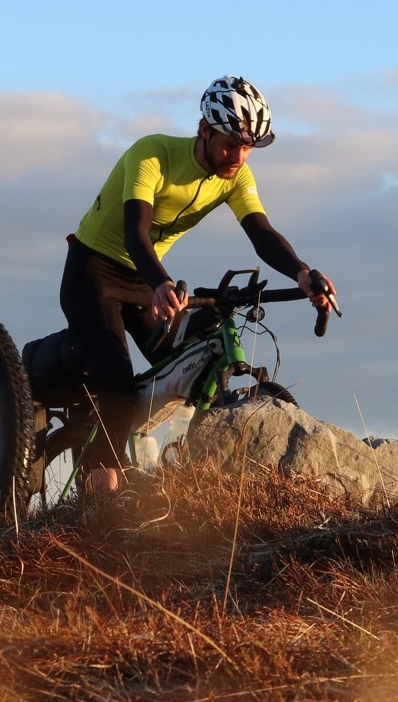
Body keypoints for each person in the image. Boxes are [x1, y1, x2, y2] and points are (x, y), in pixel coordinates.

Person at [58, 76, 337, 493]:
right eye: (229, 145)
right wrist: (161, 283)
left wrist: (301, 272)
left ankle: (169, 469)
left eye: (247, 148)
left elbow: (261, 232)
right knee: (117, 383)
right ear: (204, 130)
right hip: (93, 274)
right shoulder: (152, 154)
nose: (238, 157)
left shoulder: (235, 177)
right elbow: (136, 231)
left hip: (145, 280)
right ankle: (100, 494)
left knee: (194, 359)